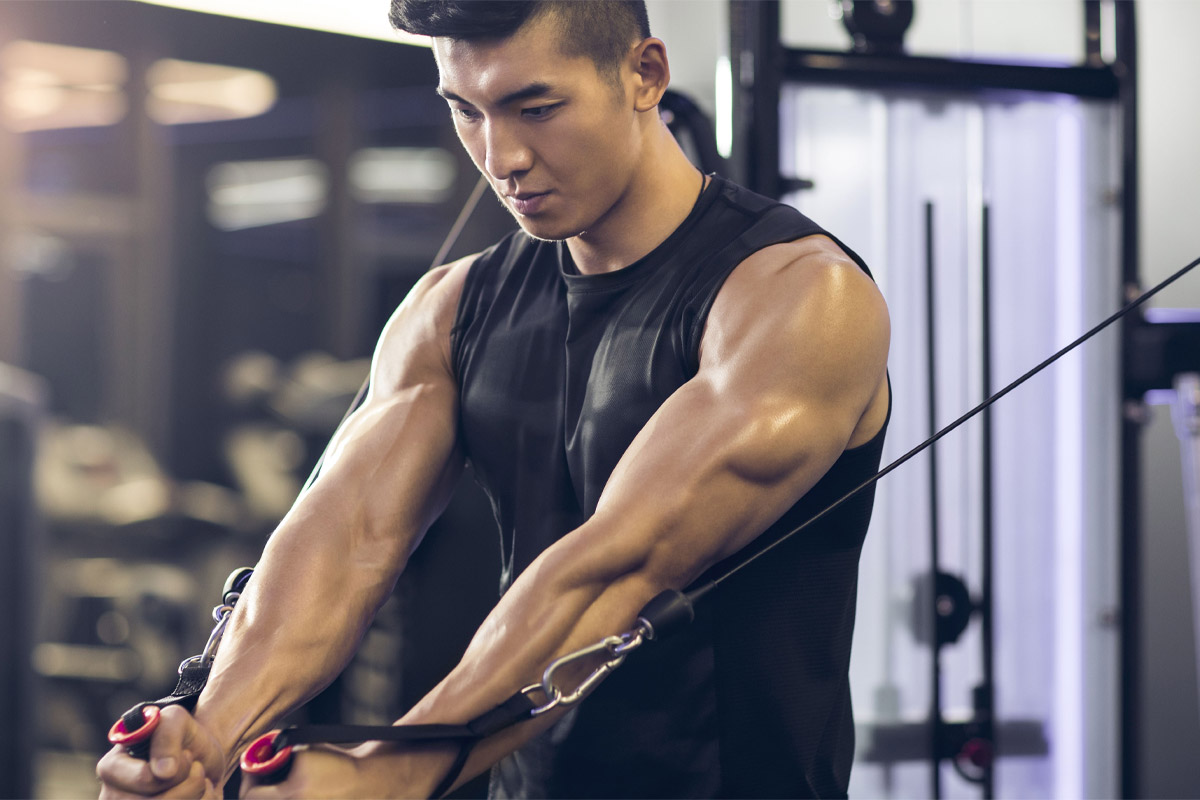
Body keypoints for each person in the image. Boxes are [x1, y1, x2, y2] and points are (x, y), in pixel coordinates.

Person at [97, 1, 890, 797]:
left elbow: (620, 567)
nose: (500, 155)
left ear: (644, 75)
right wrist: (204, 739)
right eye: (466, 111)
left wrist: (391, 773)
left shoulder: (798, 299)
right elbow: (347, 539)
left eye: (535, 108)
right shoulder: (451, 309)